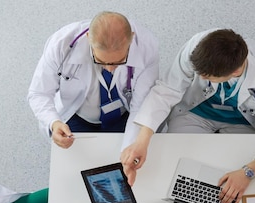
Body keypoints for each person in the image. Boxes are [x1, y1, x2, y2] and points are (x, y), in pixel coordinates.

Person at [121, 29, 255, 203]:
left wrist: (248, 172)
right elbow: (167, 90)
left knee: (233, 175)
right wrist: (141, 141)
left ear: (236, 72)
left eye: (206, 76)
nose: (198, 77)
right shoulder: (198, 47)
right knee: (175, 166)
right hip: (195, 112)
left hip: (242, 121)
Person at [28, 11, 158, 150]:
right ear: (88, 37)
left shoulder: (146, 46)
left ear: (131, 39)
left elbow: (140, 106)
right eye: (101, 60)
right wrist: (53, 123)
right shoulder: (61, 45)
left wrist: (130, 148)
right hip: (76, 115)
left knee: (122, 160)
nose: (109, 69)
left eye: (119, 61)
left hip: (124, 116)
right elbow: (39, 93)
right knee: (76, 166)